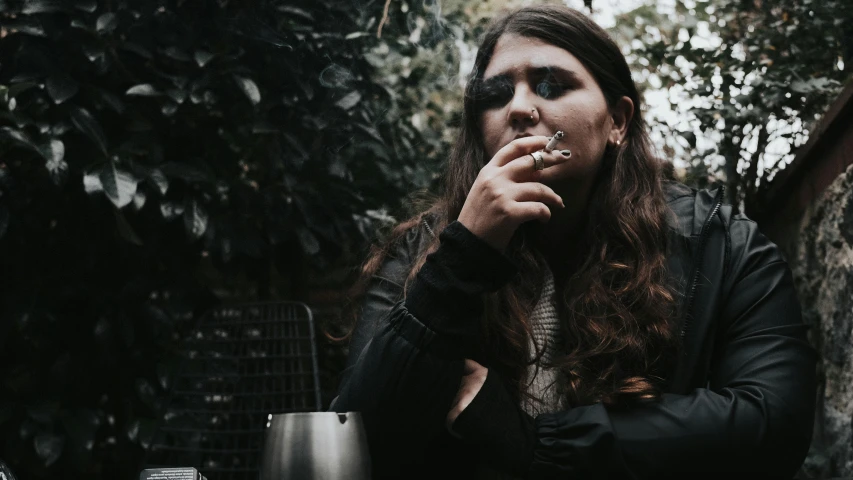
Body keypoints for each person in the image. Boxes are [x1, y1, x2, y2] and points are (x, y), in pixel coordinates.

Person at [329, 4, 816, 479]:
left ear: (618, 122)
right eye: (495, 95)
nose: (519, 108)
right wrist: (463, 255)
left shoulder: (719, 243)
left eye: (550, 85)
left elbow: (774, 423)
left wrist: (533, 443)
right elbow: (356, 442)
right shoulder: (425, 251)